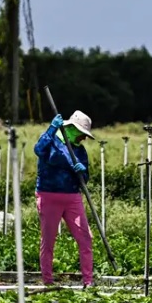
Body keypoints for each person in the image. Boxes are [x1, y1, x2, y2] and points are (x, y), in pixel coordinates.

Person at [33, 110, 95, 288]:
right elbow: (38, 150)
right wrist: (51, 128)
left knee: (85, 238)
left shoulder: (80, 151)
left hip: (72, 196)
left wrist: (81, 170)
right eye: (82, 134)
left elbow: (85, 178)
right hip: (48, 195)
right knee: (49, 239)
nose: (83, 138)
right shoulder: (50, 141)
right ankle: (48, 280)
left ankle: (88, 281)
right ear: (72, 129)